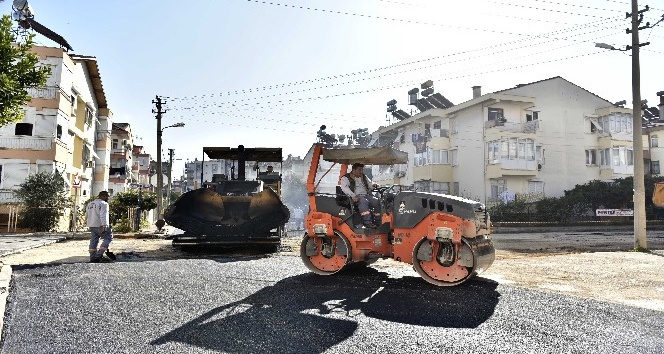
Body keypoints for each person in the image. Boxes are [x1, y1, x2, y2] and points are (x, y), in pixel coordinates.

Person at [339, 163, 381, 228]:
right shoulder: (345, 178)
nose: (361, 171)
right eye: (359, 170)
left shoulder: (364, 177)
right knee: (364, 201)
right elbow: (345, 188)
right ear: (354, 170)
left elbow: (370, 185)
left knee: (376, 201)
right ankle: (367, 222)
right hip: (356, 197)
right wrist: (353, 195)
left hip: (366, 195)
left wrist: (374, 185)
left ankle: (378, 222)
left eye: (362, 170)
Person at [86, 191, 113, 263]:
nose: (108, 198)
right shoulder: (104, 204)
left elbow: (87, 215)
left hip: (91, 224)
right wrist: (104, 225)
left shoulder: (90, 204)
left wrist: (88, 224)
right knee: (108, 237)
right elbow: (103, 215)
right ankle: (98, 256)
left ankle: (92, 257)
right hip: (100, 225)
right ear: (104, 196)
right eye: (107, 196)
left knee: (94, 240)